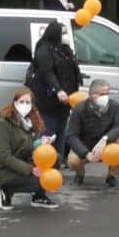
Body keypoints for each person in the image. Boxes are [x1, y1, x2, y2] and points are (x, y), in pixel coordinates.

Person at [0, 88, 59, 210]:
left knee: (55, 158)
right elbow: (3, 155)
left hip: (25, 163)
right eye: (21, 102)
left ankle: (38, 197)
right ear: (15, 103)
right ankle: (5, 190)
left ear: (32, 105)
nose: (24, 105)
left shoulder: (33, 122)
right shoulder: (4, 123)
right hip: (6, 170)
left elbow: (32, 149)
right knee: (40, 180)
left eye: (28, 102)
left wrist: (41, 144)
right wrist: (30, 169)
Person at [28, 21, 82, 167]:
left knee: (61, 132)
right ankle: (45, 163)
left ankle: (58, 161)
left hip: (64, 101)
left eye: (66, 33)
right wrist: (58, 89)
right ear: (55, 34)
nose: (65, 36)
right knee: (49, 132)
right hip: (49, 100)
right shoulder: (44, 49)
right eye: (62, 33)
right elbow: (47, 72)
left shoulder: (64, 49)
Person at [66, 79, 119, 187]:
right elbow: (71, 136)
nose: (105, 97)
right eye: (102, 94)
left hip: (105, 144)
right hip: (86, 145)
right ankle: (80, 174)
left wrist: (105, 139)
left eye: (107, 94)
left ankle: (112, 176)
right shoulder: (79, 109)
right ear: (91, 95)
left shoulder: (114, 106)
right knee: (73, 161)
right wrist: (86, 153)